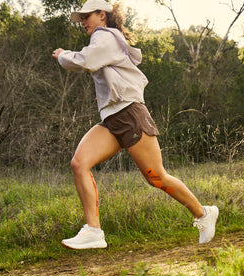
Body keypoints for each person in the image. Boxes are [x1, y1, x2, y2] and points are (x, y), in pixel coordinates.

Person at [52, 0, 218, 250]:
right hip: (112, 119)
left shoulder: (105, 36)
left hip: (129, 114)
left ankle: (203, 214)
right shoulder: (104, 38)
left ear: (102, 15)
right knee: (79, 163)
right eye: (81, 18)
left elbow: (85, 60)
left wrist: (63, 54)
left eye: (87, 16)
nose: (83, 22)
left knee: (156, 177)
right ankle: (94, 231)